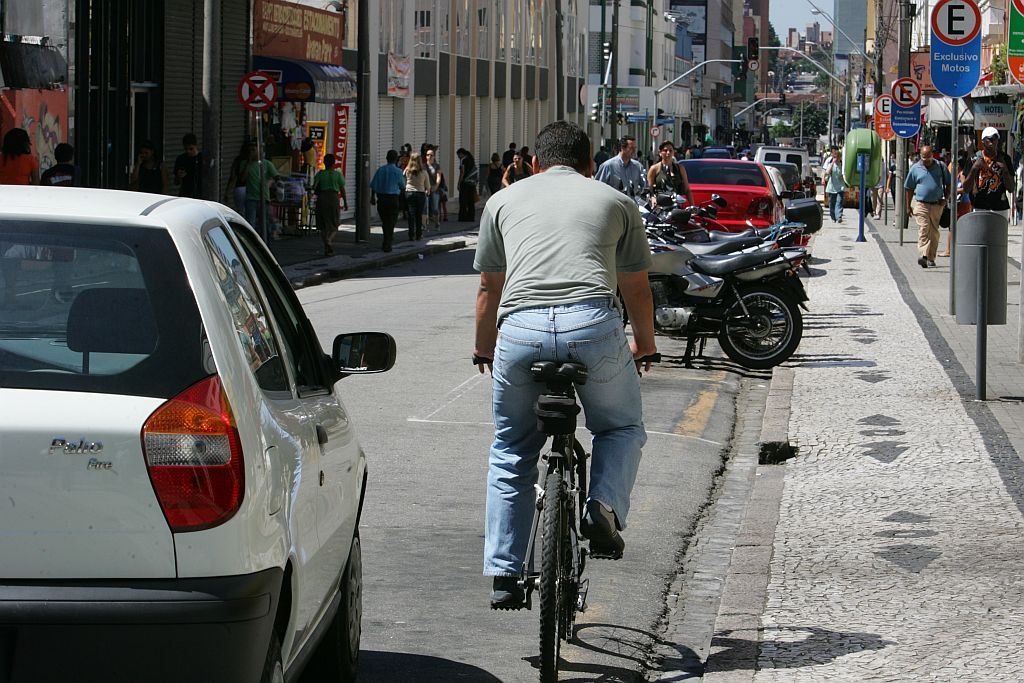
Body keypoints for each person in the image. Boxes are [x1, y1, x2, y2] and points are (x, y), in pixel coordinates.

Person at [473, 120, 656, 609]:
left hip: (521, 331)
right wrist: (646, 345)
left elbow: (490, 288)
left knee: (512, 448)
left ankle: (505, 572)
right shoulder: (615, 201)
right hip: (593, 327)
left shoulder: (502, 201)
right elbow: (637, 288)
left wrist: (484, 350)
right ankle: (602, 507)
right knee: (620, 427)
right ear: (590, 164)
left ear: (535, 162)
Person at [904, 145, 950, 269]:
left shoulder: (941, 166)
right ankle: (923, 255)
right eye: (923, 159)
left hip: (937, 204)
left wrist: (946, 199)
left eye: (928, 159)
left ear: (932, 156)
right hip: (921, 204)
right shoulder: (915, 168)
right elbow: (908, 188)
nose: (925, 162)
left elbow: (949, 183)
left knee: (934, 232)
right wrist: (908, 206)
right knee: (924, 228)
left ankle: (931, 258)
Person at [964, 127, 1015, 222]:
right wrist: (974, 168)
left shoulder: (1004, 158)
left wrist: (1005, 169)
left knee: (998, 236)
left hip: (1000, 207)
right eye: (989, 139)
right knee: (980, 236)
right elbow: (966, 188)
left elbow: (1011, 188)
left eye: (995, 139)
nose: (992, 142)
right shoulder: (974, 159)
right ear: (983, 141)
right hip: (980, 207)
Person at [312, 153, 348, 256]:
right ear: (334, 163)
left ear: (324, 163)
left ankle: (327, 249)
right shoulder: (337, 175)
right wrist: (345, 202)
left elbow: (314, 187)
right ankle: (329, 240)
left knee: (323, 224)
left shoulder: (320, 174)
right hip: (333, 198)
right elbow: (342, 189)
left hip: (322, 198)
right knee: (335, 223)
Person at [244, 143, 281, 240]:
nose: (251, 152)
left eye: (253, 150)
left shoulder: (266, 164)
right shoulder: (246, 164)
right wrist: (248, 163)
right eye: (250, 150)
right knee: (250, 223)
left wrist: (270, 182)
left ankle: (265, 242)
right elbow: (242, 179)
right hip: (251, 198)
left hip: (263, 198)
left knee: (265, 223)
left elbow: (276, 177)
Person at [370, 150, 404, 252]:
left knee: (385, 221)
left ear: (386, 158)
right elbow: (402, 186)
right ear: (396, 159)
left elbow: (374, 185)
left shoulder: (381, 170)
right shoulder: (398, 171)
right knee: (392, 220)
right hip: (393, 198)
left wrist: (372, 197)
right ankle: (388, 241)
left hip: (382, 199)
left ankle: (387, 239)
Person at [646, 141, 694, 206]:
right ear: (660, 153)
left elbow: (687, 189)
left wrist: (692, 206)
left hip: (676, 206)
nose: (668, 153)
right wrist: (652, 198)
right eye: (665, 150)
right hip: (660, 207)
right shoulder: (654, 169)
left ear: (673, 153)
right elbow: (649, 189)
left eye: (670, 151)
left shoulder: (680, 168)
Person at [403, 151, 430, 241]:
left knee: (411, 215)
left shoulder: (407, 171)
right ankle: (419, 234)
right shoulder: (424, 172)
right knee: (419, 215)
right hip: (420, 193)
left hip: (409, 193)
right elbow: (428, 186)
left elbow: (403, 182)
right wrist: (427, 191)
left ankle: (411, 235)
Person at [223, 141, 251, 212]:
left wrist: (227, 192)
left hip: (239, 188)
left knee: (240, 211)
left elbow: (232, 177)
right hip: (252, 189)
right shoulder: (256, 162)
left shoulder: (238, 160)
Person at [173, 132, 203, 198]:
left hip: (200, 194)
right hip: (186, 193)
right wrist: (179, 176)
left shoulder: (202, 158)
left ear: (196, 146)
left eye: (191, 149)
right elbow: (176, 182)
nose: (188, 151)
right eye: (186, 149)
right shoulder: (181, 159)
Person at [821, 146, 846, 223]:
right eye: (835, 156)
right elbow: (827, 172)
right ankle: (833, 216)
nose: (837, 158)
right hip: (832, 186)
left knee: (839, 202)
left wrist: (843, 177)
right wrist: (832, 164)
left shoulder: (842, 164)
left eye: (838, 157)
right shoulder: (830, 162)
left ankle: (839, 217)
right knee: (832, 203)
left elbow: (845, 173)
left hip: (840, 186)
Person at [424, 146, 443, 231]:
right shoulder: (423, 166)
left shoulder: (436, 166)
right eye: (428, 155)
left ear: (434, 156)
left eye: (431, 155)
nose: (429, 157)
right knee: (425, 208)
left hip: (434, 189)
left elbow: (439, 176)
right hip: (425, 189)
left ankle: (437, 223)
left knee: (435, 207)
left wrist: (436, 185)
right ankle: (424, 225)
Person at [456, 148, 478, 222]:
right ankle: (471, 217)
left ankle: (463, 217)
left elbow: (462, 172)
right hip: (472, 183)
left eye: (458, 155)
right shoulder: (471, 160)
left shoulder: (463, 160)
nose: (458, 157)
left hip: (465, 183)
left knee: (463, 201)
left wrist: (459, 183)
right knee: (471, 201)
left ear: (461, 154)